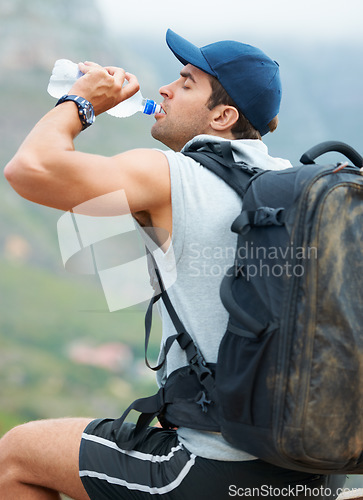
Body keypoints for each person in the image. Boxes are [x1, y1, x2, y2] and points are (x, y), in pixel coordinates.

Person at [1, 29, 346, 500]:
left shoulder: (171, 175)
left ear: (223, 116)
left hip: (218, 470)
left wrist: (80, 103)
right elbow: (120, 271)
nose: (164, 89)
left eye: (185, 83)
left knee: (17, 455)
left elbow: (29, 170)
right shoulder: (292, 188)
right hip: (314, 467)